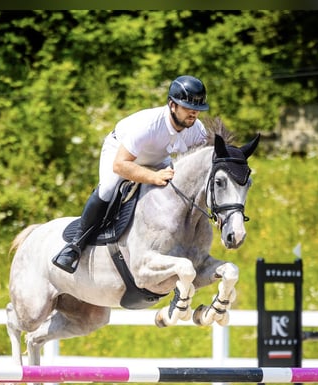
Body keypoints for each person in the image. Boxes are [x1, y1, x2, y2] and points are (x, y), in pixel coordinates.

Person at [52, 75, 210, 273]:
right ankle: (75, 246)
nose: (194, 113)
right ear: (172, 105)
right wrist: (153, 177)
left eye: (197, 109)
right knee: (108, 189)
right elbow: (120, 165)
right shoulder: (149, 125)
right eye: (187, 107)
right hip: (120, 153)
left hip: (158, 158)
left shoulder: (197, 130)